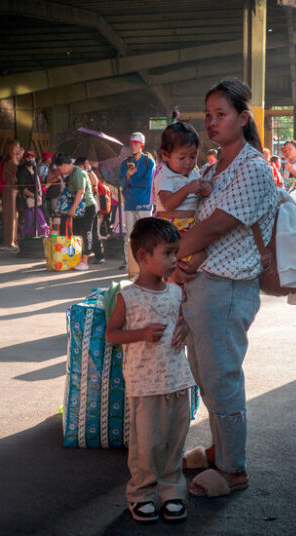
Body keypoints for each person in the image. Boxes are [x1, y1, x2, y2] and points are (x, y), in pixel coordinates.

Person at [171, 79, 279, 498]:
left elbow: (214, 226)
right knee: (206, 376)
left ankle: (234, 470)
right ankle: (219, 451)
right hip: (202, 286)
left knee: (222, 380)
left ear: (243, 118)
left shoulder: (252, 167)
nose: (212, 122)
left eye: (221, 114)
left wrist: (165, 258)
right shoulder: (212, 169)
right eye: (208, 115)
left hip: (229, 289)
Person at [105, 218, 193, 524]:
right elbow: (111, 334)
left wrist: (185, 328)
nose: (174, 260)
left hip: (177, 381)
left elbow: (181, 323)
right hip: (145, 385)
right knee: (147, 444)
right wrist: (141, 334)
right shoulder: (127, 296)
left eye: (175, 252)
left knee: (174, 441)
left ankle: (172, 491)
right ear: (143, 257)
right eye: (167, 253)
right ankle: (141, 493)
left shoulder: (176, 292)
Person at [118, 132, 155, 276]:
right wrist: (127, 175)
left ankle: (148, 263)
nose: (132, 146)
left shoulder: (148, 161)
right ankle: (130, 263)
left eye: (135, 143)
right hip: (130, 202)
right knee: (130, 234)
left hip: (144, 202)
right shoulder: (125, 162)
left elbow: (148, 181)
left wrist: (132, 177)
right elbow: (121, 181)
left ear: (141, 146)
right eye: (131, 143)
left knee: (146, 234)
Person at [52, 152, 96, 270]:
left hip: (87, 207)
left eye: (60, 169)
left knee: (86, 233)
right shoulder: (71, 174)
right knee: (76, 234)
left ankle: (85, 261)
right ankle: (77, 259)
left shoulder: (78, 173)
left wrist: (73, 209)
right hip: (78, 209)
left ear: (64, 165)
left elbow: (80, 192)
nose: (60, 171)